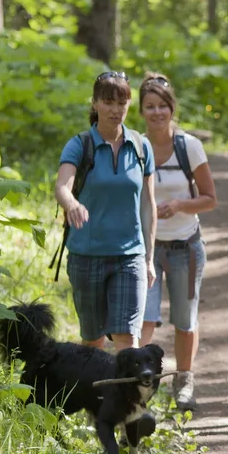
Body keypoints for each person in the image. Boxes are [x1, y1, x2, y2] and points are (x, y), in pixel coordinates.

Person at [55, 70, 156, 350]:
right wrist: (72, 203)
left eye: (121, 102)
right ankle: (94, 394)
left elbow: (148, 205)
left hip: (130, 256)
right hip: (87, 256)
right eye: (108, 102)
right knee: (93, 341)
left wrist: (149, 257)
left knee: (127, 339)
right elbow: (62, 186)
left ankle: (128, 395)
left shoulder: (140, 147)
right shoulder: (80, 145)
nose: (115, 110)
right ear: (95, 103)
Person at [137, 73, 218, 411]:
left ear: (172, 108)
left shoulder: (189, 147)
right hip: (148, 249)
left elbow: (210, 199)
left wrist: (180, 205)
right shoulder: (136, 146)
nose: (157, 113)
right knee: (144, 319)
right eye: (150, 107)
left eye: (162, 106)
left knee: (185, 320)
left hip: (186, 246)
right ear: (140, 111)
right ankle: (140, 383)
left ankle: (184, 381)